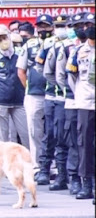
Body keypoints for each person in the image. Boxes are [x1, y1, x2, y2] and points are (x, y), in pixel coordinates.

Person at [36, 15, 70, 191]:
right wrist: (56, 84)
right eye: (58, 26)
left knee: (67, 136)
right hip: (53, 96)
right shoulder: (49, 45)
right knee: (50, 134)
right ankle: (44, 169)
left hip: (72, 98)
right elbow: (40, 68)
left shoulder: (76, 44)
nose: (61, 28)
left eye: (64, 25)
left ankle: (68, 174)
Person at [0, 24, 29, 148]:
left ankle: (32, 163)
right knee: (2, 139)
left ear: (9, 36)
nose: (3, 41)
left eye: (4, 37)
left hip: (20, 100)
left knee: (26, 135)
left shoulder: (21, 53)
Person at [66, 12, 95, 200]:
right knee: (84, 143)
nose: (86, 28)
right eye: (83, 26)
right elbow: (71, 77)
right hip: (85, 102)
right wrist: (81, 94)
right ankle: (87, 185)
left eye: (89, 24)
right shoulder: (77, 51)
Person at [16, 15, 48, 178]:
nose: (43, 29)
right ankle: (37, 165)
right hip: (34, 94)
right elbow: (21, 71)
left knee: (55, 132)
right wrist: (29, 87)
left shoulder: (58, 43)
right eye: (40, 26)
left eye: (46, 26)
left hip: (55, 94)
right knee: (34, 131)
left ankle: (53, 166)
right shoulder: (29, 45)